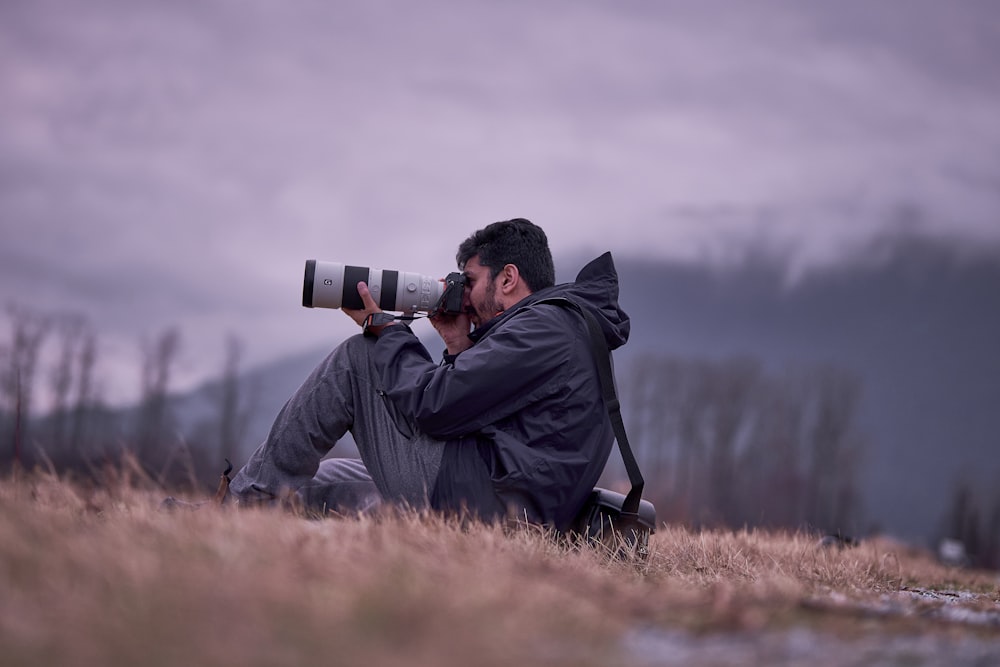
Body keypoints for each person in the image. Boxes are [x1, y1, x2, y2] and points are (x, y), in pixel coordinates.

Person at [227, 218, 630, 531]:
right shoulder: (556, 327)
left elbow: (435, 408)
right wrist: (458, 346)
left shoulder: (545, 327)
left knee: (360, 358)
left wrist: (384, 329)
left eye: (469, 282)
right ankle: (258, 513)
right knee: (331, 476)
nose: (464, 299)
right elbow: (478, 412)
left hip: (484, 505)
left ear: (507, 278)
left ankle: (243, 507)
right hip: (492, 493)